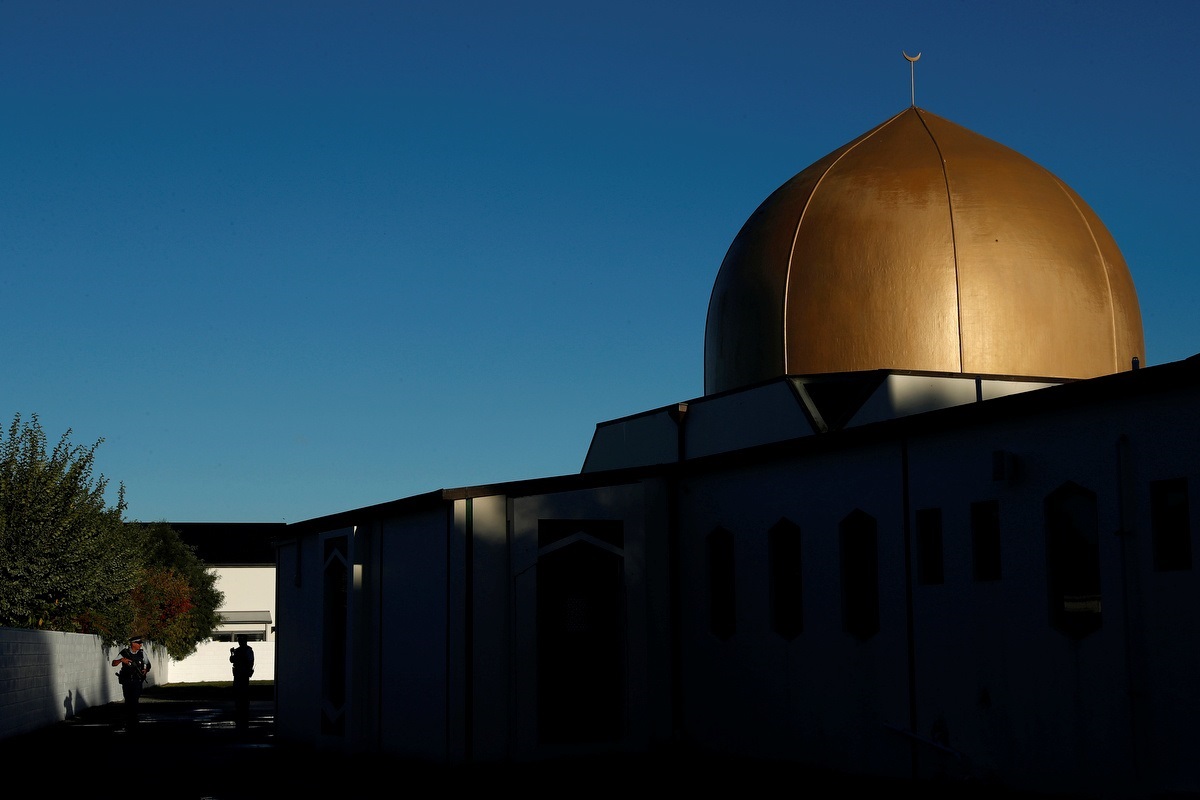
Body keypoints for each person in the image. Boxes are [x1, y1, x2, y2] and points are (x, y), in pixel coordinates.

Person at [111, 636, 151, 731]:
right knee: (128, 700)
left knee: (134, 700)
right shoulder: (124, 653)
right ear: (133, 643)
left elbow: (148, 664)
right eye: (138, 643)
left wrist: (146, 670)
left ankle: (134, 719)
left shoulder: (142, 653)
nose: (140, 645)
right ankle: (129, 719)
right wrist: (121, 660)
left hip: (137, 680)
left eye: (141, 643)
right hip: (127, 680)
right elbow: (113, 663)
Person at [229, 633, 255, 729]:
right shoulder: (238, 650)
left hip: (243, 674)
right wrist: (232, 653)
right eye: (239, 640)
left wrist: (248, 670)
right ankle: (239, 708)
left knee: (243, 692)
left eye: (241, 640)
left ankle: (243, 709)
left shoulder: (248, 650)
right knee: (238, 692)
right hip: (238, 673)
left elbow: (250, 661)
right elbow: (232, 660)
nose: (240, 642)